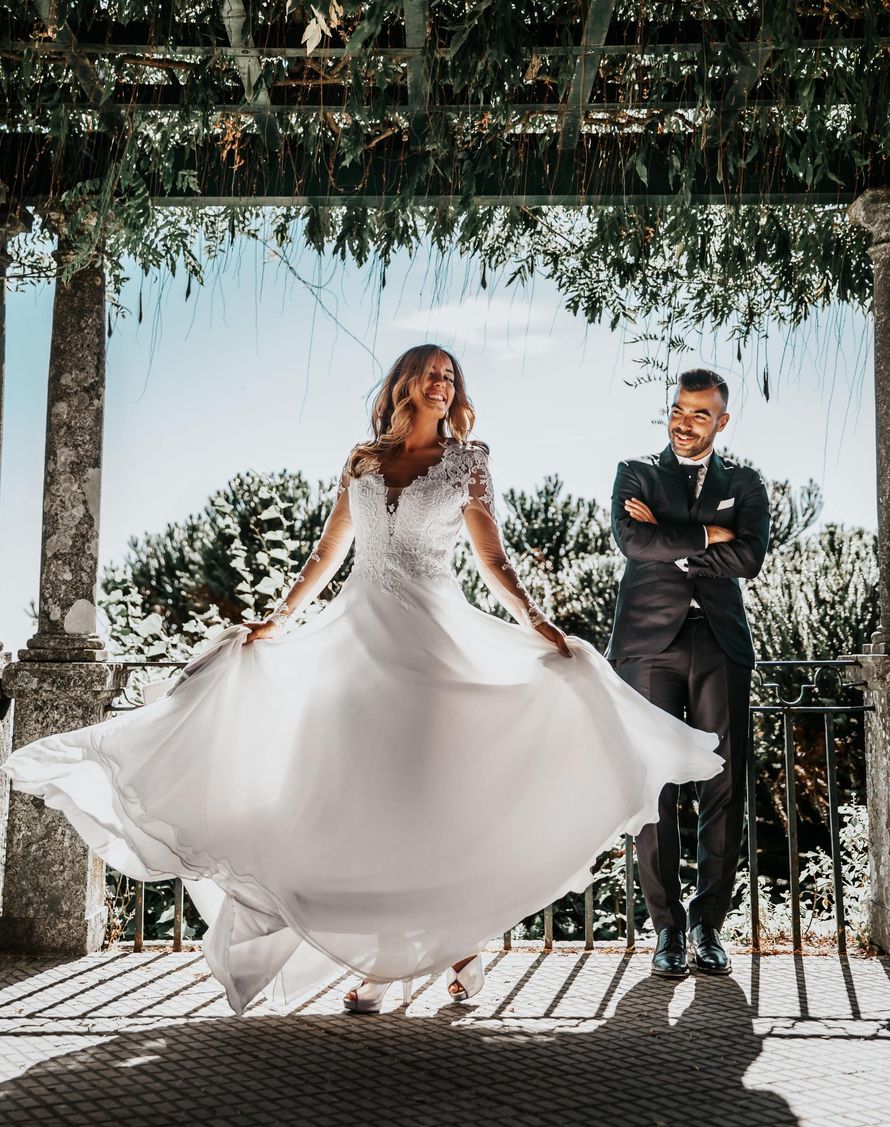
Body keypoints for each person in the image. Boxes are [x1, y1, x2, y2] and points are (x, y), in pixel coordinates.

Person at [3, 345, 723, 1016]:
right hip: (357, 651)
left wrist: (541, 625)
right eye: (433, 373)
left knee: (422, 811)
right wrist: (277, 620)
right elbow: (327, 551)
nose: (444, 383)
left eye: (453, 377)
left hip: (434, 655)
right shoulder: (362, 462)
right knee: (354, 808)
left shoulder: (468, 463)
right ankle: (396, 960)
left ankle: (442, 953)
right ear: (404, 383)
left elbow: (492, 561)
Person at [608, 368, 770, 979]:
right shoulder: (636, 471)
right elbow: (632, 541)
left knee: (722, 788)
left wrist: (669, 537)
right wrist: (708, 534)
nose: (684, 422)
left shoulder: (745, 481)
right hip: (648, 646)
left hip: (721, 643)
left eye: (700, 414)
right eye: (678, 409)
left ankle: (708, 930)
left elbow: (749, 557)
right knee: (655, 788)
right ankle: (667, 933)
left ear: (721, 422)